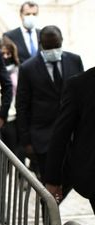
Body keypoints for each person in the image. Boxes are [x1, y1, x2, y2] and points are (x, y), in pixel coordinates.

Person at [16, 25, 84, 183]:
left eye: (57, 45)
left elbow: (83, 96)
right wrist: (26, 141)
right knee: (49, 184)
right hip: (43, 139)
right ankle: (49, 208)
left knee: (74, 179)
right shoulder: (28, 68)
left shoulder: (74, 60)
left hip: (73, 137)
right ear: (40, 43)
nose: (53, 50)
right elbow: (22, 105)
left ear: (62, 41)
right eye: (48, 46)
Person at [45, 67, 95, 213]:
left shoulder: (80, 84)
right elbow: (61, 134)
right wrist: (53, 179)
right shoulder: (80, 85)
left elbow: (61, 134)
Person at [0, 37, 26, 164]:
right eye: (2, 54)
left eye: (8, 53)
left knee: (16, 156)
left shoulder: (19, 70)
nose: (5, 57)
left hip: (14, 117)